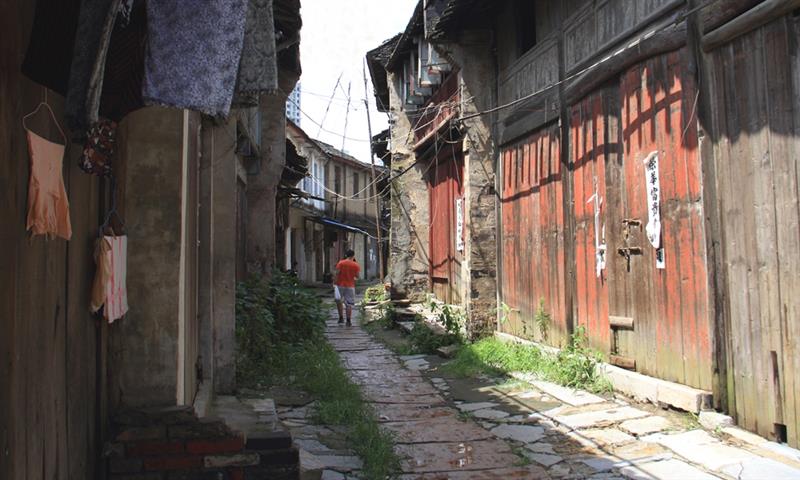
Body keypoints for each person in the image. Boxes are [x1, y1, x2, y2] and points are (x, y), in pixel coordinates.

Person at [334, 249, 360, 326]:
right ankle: (348, 320)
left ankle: (341, 317)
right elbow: (357, 276)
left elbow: (337, 273)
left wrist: (334, 282)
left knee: (339, 301)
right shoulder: (355, 265)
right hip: (350, 286)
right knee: (349, 304)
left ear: (346, 255)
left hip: (340, 285)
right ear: (353, 255)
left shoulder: (341, 263)